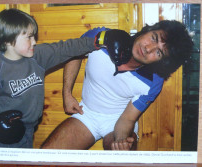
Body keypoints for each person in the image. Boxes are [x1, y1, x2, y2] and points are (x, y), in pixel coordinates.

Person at [0, 8, 118, 148]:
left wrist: (98, 40)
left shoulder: (37, 56)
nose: (34, 41)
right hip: (4, 136)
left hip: (28, 131)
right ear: (8, 40)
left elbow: (66, 48)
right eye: (29, 37)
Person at [41, 20, 194, 150]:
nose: (148, 49)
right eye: (154, 38)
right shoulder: (104, 37)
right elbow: (74, 52)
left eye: (159, 53)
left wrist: (120, 140)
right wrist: (67, 93)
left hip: (118, 119)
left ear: (162, 62)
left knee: (123, 154)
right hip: (86, 114)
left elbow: (127, 118)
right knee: (44, 156)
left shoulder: (153, 82)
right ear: (148, 30)